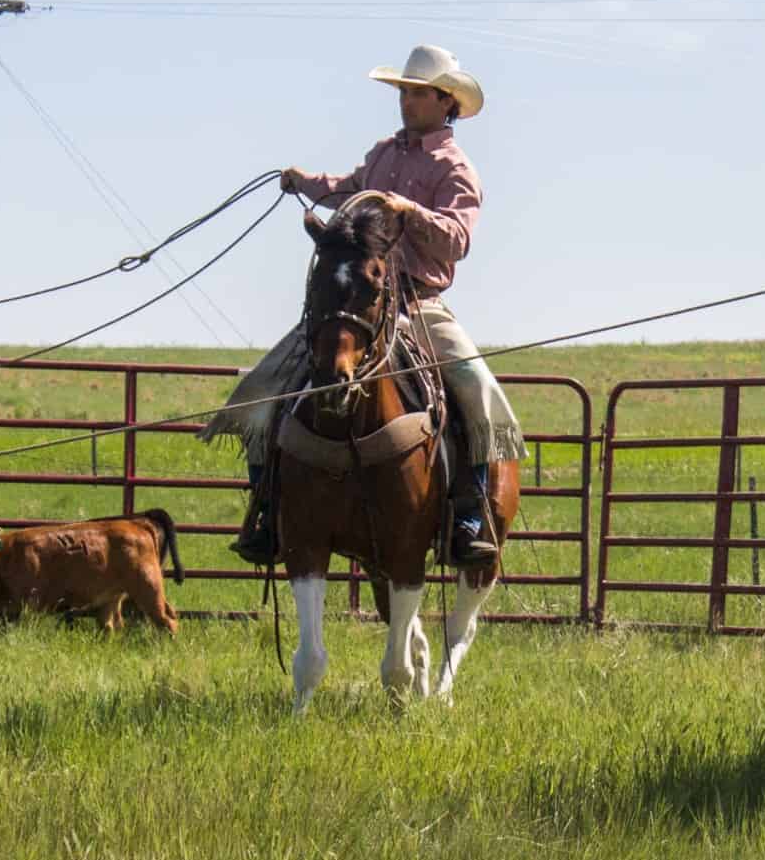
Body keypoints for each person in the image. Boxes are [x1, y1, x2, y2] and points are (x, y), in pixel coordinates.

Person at [207, 44, 526, 567]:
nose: (406, 102)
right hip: (358, 303)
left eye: (417, 93)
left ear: (445, 102)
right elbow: (350, 190)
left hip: (419, 305)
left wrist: (409, 210)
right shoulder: (383, 153)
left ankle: (470, 512)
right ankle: (267, 506)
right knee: (260, 388)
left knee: (477, 390)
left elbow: (456, 239)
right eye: (403, 92)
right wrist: (302, 181)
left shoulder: (457, 169)